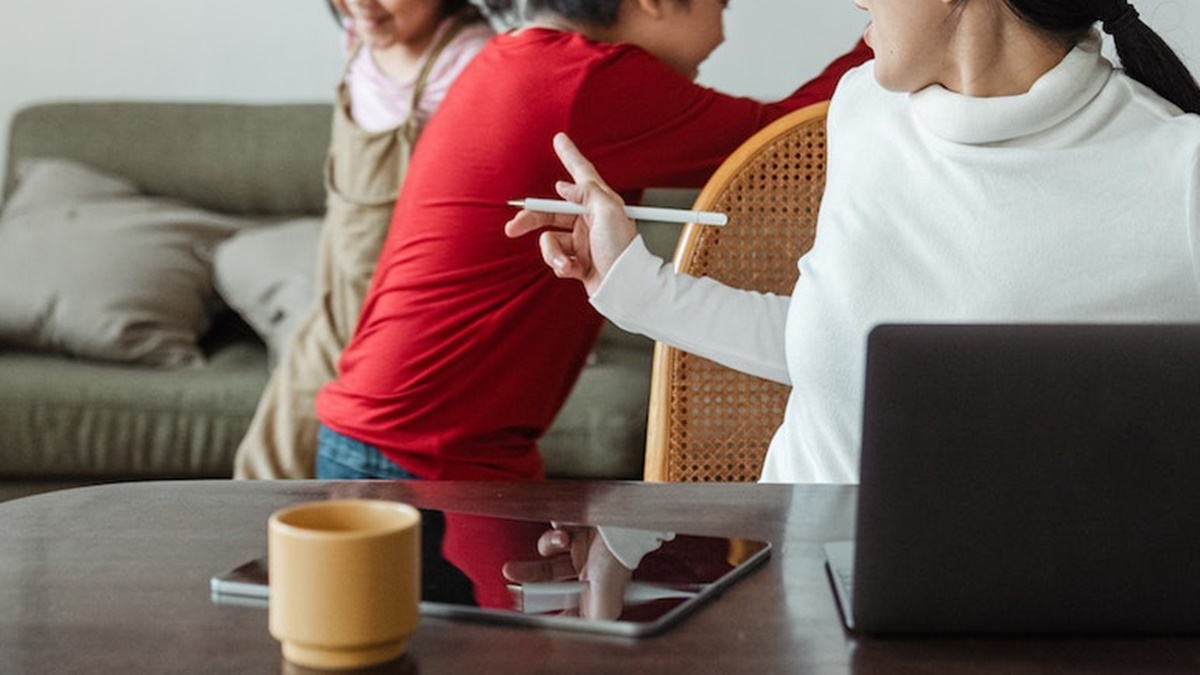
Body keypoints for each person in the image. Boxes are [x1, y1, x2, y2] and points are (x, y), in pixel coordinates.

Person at [506, 0, 1200, 483]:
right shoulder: (864, 109)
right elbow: (840, 344)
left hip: (1032, 618)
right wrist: (631, 282)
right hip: (791, 600)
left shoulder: (1179, 174)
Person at [312, 0, 873, 480]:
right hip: (416, 455)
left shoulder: (524, 58)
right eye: (720, 5)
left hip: (412, 439)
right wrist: (890, 31)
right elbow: (783, 142)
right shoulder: (585, 80)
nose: (721, 33)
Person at [233, 0, 494, 479]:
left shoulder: (469, 62)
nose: (360, 5)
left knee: (309, 462)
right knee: (266, 459)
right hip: (337, 291)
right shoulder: (357, 43)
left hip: (396, 308)